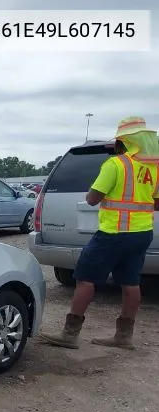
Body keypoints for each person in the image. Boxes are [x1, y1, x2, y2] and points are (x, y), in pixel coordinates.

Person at [40, 116, 159, 350]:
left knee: (85, 278)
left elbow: (93, 199)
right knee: (130, 282)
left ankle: (70, 334)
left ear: (122, 141)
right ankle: (124, 336)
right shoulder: (153, 168)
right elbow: (156, 203)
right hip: (142, 233)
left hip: (113, 233)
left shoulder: (116, 164)